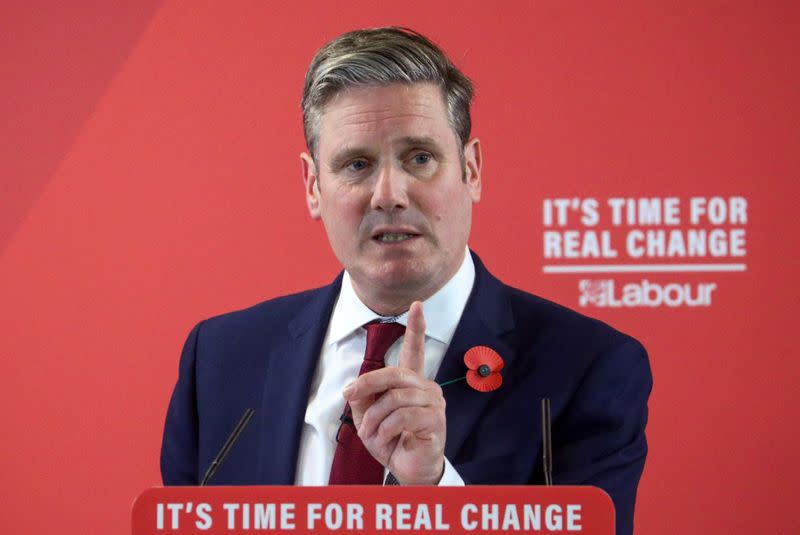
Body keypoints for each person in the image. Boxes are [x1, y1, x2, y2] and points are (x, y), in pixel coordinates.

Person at [161, 27, 652, 535]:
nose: (389, 194)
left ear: (471, 169)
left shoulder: (588, 367)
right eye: (357, 164)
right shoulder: (219, 359)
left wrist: (434, 492)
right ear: (313, 186)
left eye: (419, 158)